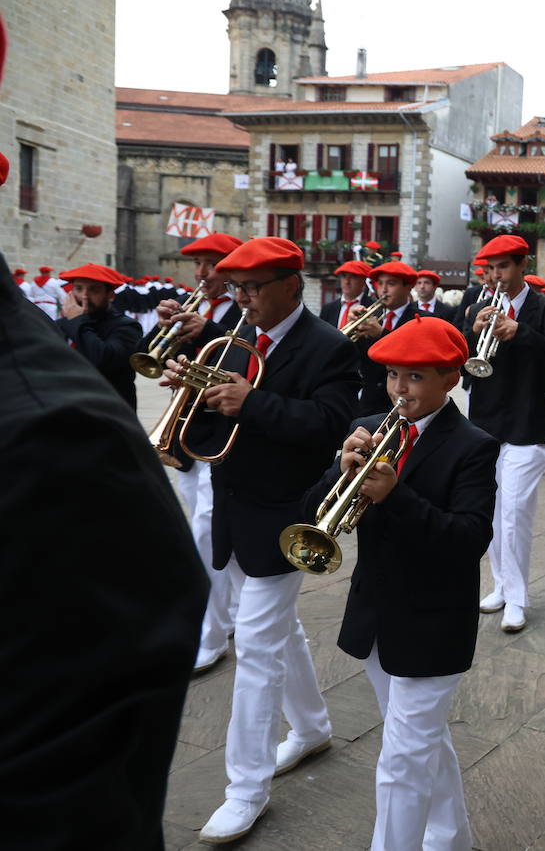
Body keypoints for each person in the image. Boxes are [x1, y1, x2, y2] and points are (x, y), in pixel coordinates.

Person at [0, 247, 209, 848]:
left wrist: (82, 323)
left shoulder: (62, 432)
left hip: (128, 437)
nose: (83, 297)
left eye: (92, 291)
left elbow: (108, 357)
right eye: (79, 291)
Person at [170, 236, 361, 843]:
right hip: (231, 505)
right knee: (278, 633)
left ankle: (244, 789)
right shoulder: (232, 330)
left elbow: (327, 427)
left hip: (285, 514)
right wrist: (190, 393)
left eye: (253, 288)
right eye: (238, 289)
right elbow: (211, 417)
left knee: (254, 646)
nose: (242, 299)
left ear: (291, 286)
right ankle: (310, 727)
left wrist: (251, 403)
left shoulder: (329, 346)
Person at [304, 316, 497, 851]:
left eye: (414, 378)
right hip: (377, 616)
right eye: (392, 376)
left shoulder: (473, 445)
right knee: (421, 744)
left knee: (401, 760)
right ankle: (451, 835)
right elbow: (312, 506)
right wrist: (338, 474)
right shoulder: (369, 424)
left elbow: (469, 539)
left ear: (450, 379)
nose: (399, 390)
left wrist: (398, 497)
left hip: (434, 623)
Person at [463, 234, 545, 634]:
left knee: (514, 515)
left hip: (528, 424)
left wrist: (520, 331)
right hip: (484, 422)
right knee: (491, 511)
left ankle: (517, 598)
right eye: (490, 270)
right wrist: (470, 336)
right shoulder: (477, 305)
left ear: (522, 266)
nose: (496, 277)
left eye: (503, 268)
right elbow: (463, 368)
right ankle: (500, 584)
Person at [147, 232, 245, 674]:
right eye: (199, 264)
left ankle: (210, 632)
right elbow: (147, 356)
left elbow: (247, 362)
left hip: (221, 436)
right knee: (206, 531)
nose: (203, 273)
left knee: (206, 535)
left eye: (212, 264)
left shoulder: (244, 312)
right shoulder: (191, 308)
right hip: (185, 433)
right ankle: (228, 614)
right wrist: (163, 324)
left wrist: (209, 331)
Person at [55, 263, 141, 410]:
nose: (84, 296)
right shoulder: (61, 325)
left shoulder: (126, 327)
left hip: (108, 412)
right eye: (78, 288)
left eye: (94, 290)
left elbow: (102, 359)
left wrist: (77, 321)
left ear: (110, 295)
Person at [353, 261, 420, 417]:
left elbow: (413, 355)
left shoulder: (421, 318)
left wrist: (382, 334)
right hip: (368, 402)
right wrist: (353, 327)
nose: (383, 289)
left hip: (401, 401)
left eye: (391, 283)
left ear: (408, 286)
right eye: (380, 283)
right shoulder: (370, 316)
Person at [321, 260, 375, 332]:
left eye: (353, 277)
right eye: (344, 276)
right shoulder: (327, 309)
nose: (347, 281)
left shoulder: (372, 307)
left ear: (363, 280)